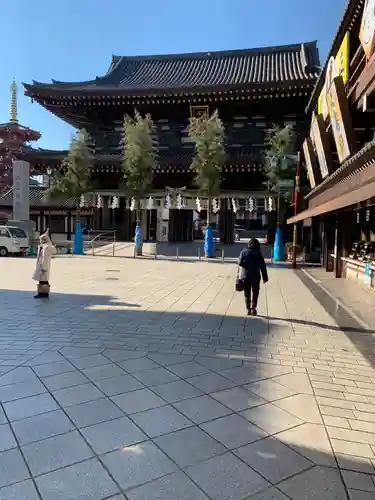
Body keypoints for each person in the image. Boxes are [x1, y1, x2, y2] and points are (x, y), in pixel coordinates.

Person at [238, 238, 268, 316]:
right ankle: (253, 307)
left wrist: (246, 263)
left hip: (245, 277)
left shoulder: (244, 252)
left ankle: (248, 309)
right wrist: (265, 277)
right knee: (255, 292)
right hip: (256, 277)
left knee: (247, 293)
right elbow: (263, 266)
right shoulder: (259, 253)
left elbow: (240, 263)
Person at [32, 232, 56, 299]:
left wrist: (43, 267)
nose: (40, 241)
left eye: (41, 239)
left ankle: (43, 294)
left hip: (43, 266)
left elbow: (44, 258)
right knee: (43, 280)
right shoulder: (44, 246)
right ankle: (43, 293)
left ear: (44, 240)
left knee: (43, 281)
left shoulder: (46, 248)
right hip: (42, 265)